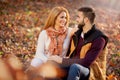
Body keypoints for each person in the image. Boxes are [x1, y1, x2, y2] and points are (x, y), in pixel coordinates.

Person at [49, 7, 108, 80]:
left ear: (86, 20)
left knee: (75, 67)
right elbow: (69, 53)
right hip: (73, 65)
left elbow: (87, 62)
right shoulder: (77, 34)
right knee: (51, 65)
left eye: (78, 17)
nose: (76, 20)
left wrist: (62, 60)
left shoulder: (99, 38)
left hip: (90, 70)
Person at [28, 6, 73, 79]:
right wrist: (49, 60)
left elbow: (82, 32)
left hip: (60, 61)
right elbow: (39, 53)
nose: (64, 20)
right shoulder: (44, 33)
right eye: (61, 17)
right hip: (45, 59)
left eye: (65, 18)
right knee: (35, 62)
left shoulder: (69, 32)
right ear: (54, 18)